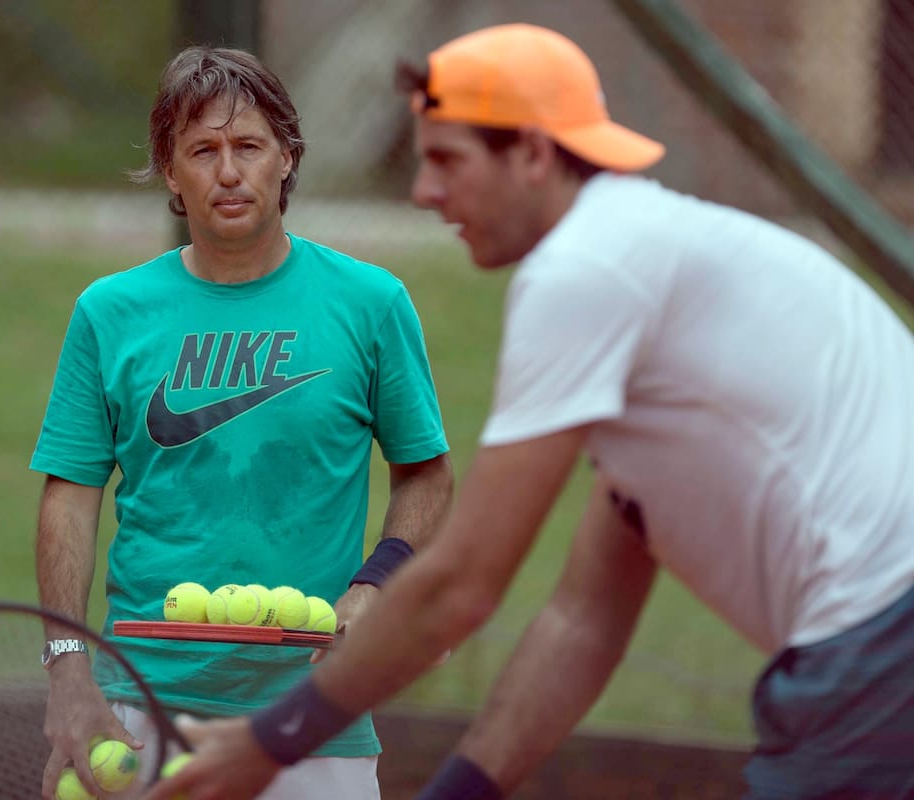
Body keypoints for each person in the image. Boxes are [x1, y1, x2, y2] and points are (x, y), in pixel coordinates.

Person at [147, 23, 914, 800]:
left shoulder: (587, 268)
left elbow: (459, 587)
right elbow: (583, 620)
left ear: (535, 156)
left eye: (448, 160)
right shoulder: (642, 265)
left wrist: (270, 741)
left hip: (884, 643)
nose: (424, 191)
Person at [29, 45, 453, 800]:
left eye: (249, 146)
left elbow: (426, 473)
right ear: (170, 172)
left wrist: (377, 583)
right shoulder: (108, 312)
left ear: (287, 158)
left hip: (315, 714)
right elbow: (69, 495)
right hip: (139, 709)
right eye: (203, 151)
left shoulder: (372, 303)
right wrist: (67, 668)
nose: (228, 172)